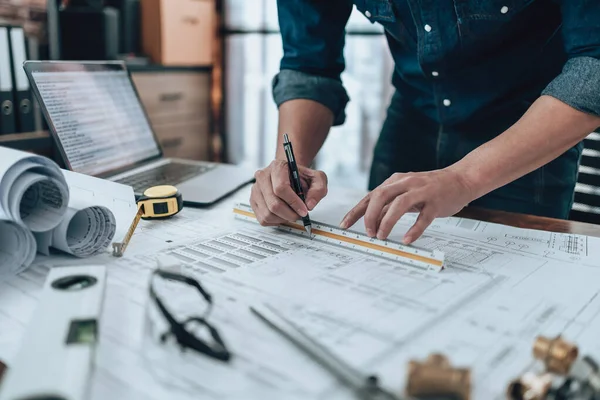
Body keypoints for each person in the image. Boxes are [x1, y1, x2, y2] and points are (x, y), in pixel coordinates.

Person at [250, 0, 600, 244]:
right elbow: (309, 66)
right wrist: (289, 166)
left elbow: (594, 65)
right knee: (375, 265)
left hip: (526, 126)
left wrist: (464, 178)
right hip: (413, 113)